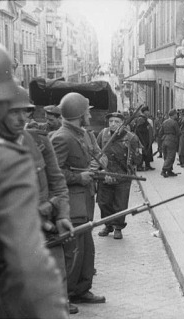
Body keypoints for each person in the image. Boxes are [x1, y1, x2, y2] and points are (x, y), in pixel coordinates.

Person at [0, 38, 68, 319]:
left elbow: (56, 178)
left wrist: (59, 211)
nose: (21, 117)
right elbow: (27, 265)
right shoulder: (4, 160)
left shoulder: (31, 142)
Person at [51, 92, 106, 305]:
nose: (89, 117)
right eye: (87, 113)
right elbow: (54, 174)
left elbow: (89, 159)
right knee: (72, 251)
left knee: (86, 250)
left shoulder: (80, 134)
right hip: (71, 205)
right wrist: (78, 177)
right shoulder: (62, 137)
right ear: (78, 114)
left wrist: (93, 167)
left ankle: (81, 290)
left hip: (84, 202)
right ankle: (64, 296)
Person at [96, 112, 143, 239]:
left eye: (116, 121)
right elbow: (96, 152)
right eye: (111, 121)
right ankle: (108, 225)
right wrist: (101, 168)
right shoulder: (103, 134)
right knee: (103, 202)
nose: (113, 124)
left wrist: (132, 153)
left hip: (122, 176)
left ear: (122, 123)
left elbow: (138, 159)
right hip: (105, 175)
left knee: (120, 204)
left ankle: (118, 227)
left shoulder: (131, 137)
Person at [160, 109, 181, 177]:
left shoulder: (164, 122)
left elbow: (160, 132)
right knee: (171, 156)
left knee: (166, 156)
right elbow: (178, 132)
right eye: (176, 114)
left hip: (164, 139)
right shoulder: (174, 122)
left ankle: (169, 170)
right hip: (171, 140)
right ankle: (164, 170)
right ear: (173, 115)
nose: (177, 115)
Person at [134, 106, 155, 170]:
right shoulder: (141, 119)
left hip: (146, 138)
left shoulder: (144, 118)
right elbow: (138, 129)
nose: (148, 112)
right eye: (147, 111)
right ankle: (139, 166)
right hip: (143, 138)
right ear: (144, 111)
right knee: (143, 152)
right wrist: (146, 128)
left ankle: (147, 165)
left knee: (147, 152)